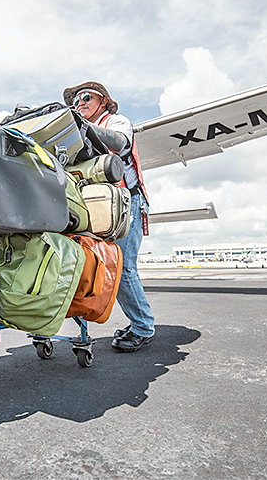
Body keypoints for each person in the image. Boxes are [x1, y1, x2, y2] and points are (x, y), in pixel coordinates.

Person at [63, 81, 154, 352]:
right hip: (99, 207)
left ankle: (142, 327)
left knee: (124, 268)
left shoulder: (116, 122)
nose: (80, 103)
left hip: (127, 203)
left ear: (103, 101)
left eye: (86, 97)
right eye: (75, 100)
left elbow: (120, 142)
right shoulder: (77, 133)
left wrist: (82, 125)